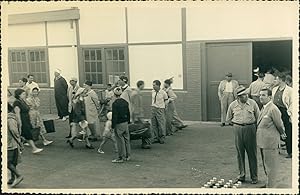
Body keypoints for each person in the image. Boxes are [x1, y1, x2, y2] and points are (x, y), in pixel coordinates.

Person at [226, 86, 260, 184]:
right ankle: (242, 175)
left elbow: (258, 117)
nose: (245, 97)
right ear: (238, 97)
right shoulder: (232, 105)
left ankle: (254, 176)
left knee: (252, 153)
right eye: (242, 96)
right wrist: (237, 125)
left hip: (250, 128)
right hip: (237, 128)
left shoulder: (253, 103)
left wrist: (254, 128)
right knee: (240, 153)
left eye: (245, 94)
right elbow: (228, 118)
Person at [257, 88, 287, 188]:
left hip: (270, 142)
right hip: (263, 142)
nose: (261, 97)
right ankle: (268, 184)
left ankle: (271, 188)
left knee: (271, 167)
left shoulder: (273, 108)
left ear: (270, 97)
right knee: (266, 166)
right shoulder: (264, 107)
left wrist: (282, 134)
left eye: (263, 95)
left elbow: (279, 124)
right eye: (260, 95)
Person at [13, 89, 43, 154]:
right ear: (19, 95)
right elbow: (17, 114)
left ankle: (19, 149)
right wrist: (19, 123)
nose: (25, 95)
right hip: (22, 120)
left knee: (22, 135)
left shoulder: (23, 101)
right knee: (26, 134)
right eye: (23, 94)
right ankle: (34, 148)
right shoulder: (17, 102)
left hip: (26, 120)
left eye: (25, 94)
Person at [272, 73, 292, 158]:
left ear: (281, 80)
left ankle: (290, 151)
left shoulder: (290, 90)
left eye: (276, 79)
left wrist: (290, 113)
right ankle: (277, 149)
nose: (274, 81)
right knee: (275, 130)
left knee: (287, 131)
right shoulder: (274, 89)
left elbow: (292, 103)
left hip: (285, 112)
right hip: (276, 111)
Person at [111, 87, 131, 163]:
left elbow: (114, 116)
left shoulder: (115, 104)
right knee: (127, 139)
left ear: (114, 95)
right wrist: (128, 121)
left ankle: (121, 157)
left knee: (119, 140)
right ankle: (128, 155)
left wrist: (113, 126)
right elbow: (128, 113)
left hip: (119, 123)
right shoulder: (125, 102)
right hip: (125, 122)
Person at [7, 103, 24, 188]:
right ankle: (13, 177)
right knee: (12, 162)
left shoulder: (10, 119)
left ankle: (18, 175)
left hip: (10, 144)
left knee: (7, 162)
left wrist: (19, 142)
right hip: (10, 143)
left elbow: (14, 131)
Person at [131, 80, 151, 149]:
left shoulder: (135, 92)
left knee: (140, 128)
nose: (144, 86)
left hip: (136, 114)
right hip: (138, 114)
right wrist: (137, 116)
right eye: (143, 85)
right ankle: (145, 143)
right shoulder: (136, 94)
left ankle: (145, 142)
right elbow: (136, 105)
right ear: (141, 85)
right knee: (145, 128)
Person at [151, 80, 169, 144]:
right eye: (153, 85)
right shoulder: (152, 91)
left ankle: (162, 138)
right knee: (154, 124)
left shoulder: (163, 93)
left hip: (160, 109)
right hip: (153, 108)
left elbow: (166, 101)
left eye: (154, 85)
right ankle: (156, 137)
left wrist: (165, 108)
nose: (153, 86)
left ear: (158, 85)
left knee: (161, 124)